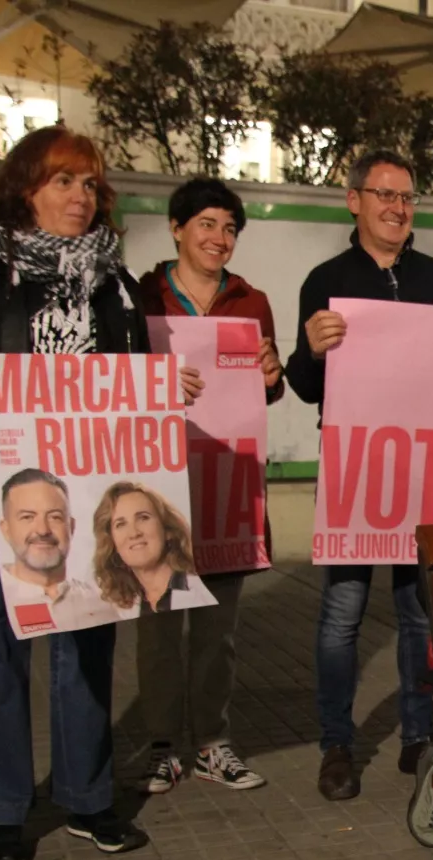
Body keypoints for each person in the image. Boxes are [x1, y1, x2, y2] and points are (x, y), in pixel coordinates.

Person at [0, 125, 186, 860]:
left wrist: (168, 388)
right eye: (63, 181)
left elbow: (134, 385)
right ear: (25, 188)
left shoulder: (117, 284)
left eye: (90, 184)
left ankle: (87, 797)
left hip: (87, 482)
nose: (79, 197)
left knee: (88, 637)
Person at [283, 149, 433, 801]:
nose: (397, 207)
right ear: (354, 201)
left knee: (417, 612)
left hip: (423, 470)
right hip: (357, 468)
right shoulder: (325, 278)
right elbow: (304, 387)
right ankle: (337, 742)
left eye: (407, 197)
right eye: (384, 195)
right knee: (342, 613)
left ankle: (419, 735)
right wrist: (311, 349)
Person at [134, 176, 281, 794]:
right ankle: (164, 745)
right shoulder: (140, 295)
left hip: (228, 479)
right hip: (159, 481)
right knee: (162, 625)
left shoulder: (252, 300)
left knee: (218, 630)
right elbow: (117, 380)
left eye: (229, 228)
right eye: (206, 225)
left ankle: (213, 743)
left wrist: (273, 374)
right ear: (176, 228)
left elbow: (267, 389)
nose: (219, 239)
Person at [0, 469, 119, 630]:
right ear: (6, 530)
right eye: (27, 517)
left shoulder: (100, 605)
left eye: (55, 517)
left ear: (71, 527)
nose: (43, 530)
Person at [91, 482, 206, 617]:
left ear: (168, 530)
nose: (134, 533)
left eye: (143, 518)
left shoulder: (203, 590)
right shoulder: (116, 610)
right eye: (120, 524)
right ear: (112, 543)